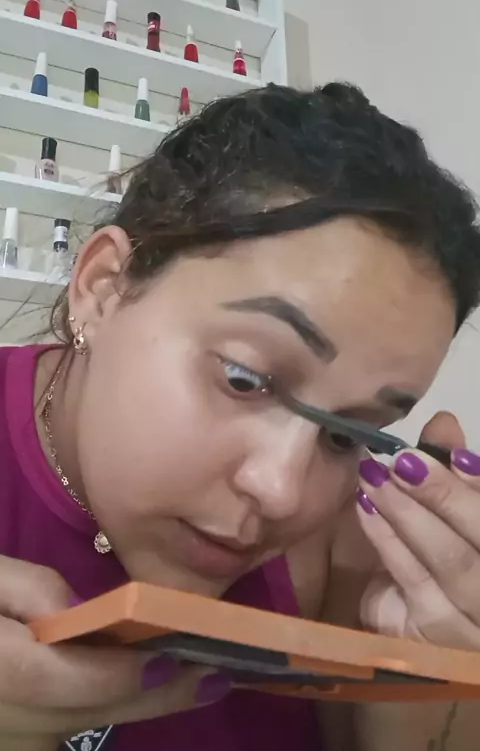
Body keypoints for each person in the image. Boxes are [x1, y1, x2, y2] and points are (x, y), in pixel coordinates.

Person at [1, 82, 480, 751]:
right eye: (243, 378)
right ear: (103, 288)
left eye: (343, 435)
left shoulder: (361, 556)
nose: (282, 491)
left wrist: (420, 700)